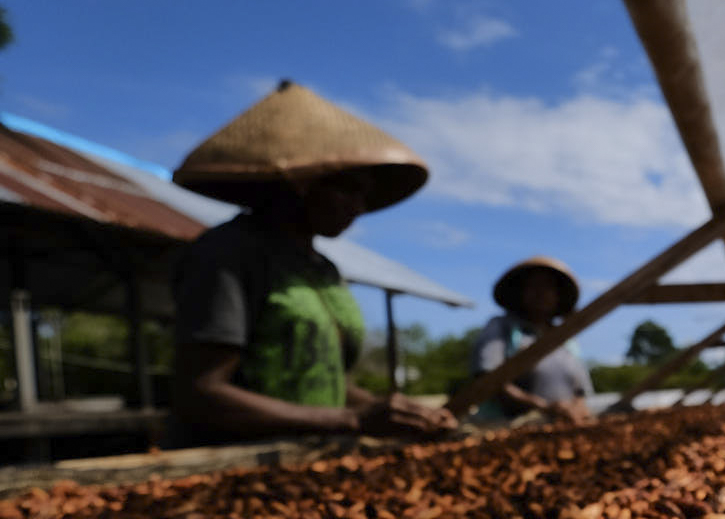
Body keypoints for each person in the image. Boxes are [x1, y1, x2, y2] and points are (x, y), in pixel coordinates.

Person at [168, 80, 455, 445]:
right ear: (302, 183)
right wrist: (351, 419)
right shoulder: (227, 254)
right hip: (233, 467)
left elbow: (326, 379)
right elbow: (201, 393)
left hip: (311, 461)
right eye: (348, 189)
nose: (358, 208)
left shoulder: (322, 270)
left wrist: (394, 411)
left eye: (364, 197)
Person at [470, 257, 593, 425]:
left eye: (548, 286)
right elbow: (486, 377)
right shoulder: (502, 326)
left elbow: (581, 391)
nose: (540, 292)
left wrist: (576, 410)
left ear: (558, 294)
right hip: (511, 426)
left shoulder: (567, 339)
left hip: (564, 426)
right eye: (533, 286)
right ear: (520, 292)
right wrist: (543, 407)